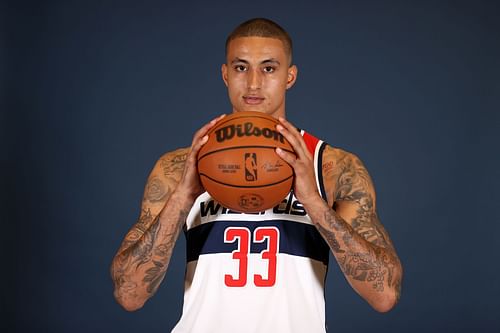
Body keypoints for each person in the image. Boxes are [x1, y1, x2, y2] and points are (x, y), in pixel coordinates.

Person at [111, 18, 403, 332]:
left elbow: (384, 294)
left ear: (290, 76)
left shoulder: (331, 167)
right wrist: (183, 197)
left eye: (268, 68)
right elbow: (129, 295)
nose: (253, 83)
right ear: (225, 74)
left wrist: (313, 204)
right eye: (240, 68)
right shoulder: (180, 166)